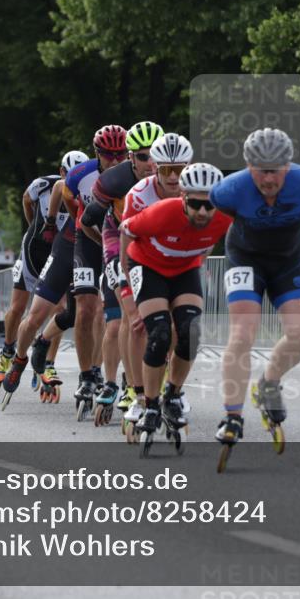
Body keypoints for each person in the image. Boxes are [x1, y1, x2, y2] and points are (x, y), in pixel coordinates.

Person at [208, 128, 300, 452]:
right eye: (261, 170)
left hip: (288, 260)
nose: (268, 179)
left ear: (288, 166)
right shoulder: (228, 190)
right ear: (249, 167)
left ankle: (268, 383)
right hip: (245, 257)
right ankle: (232, 416)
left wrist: (286, 225)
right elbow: (228, 215)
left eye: (275, 170)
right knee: (243, 334)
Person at [4, 126, 128, 416]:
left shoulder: (132, 176)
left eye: (120, 154)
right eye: (108, 155)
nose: (114, 160)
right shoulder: (80, 175)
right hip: (78, 241)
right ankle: (19, 358)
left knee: (100, 311)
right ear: (97, 154)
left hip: (113, 244)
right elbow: (62, 191)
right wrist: (48, 222)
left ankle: (93, 373)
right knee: (39, 313)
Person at [119, 163, 231, 450]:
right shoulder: (160, 213)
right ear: (183, 198)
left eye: (209, 205)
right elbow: (125, 231)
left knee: (190, 332)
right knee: (159, 334)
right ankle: (151, 403)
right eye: (196, 205)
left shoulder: (225, 217)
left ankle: (172, 395)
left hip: (184, 269)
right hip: (148, 265)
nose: (204, 213)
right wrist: (126, 287)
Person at [77, 121, 164, 425]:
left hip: (153, 240)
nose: (150, 163)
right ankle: (122, 386)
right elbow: (87, 221)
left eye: (156, 154)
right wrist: (107, 250)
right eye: (142, 157)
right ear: (130, 158)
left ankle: (152, 380)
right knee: (127, 317)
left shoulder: (176, 176)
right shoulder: (113, 181)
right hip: (117, 236)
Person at [0, 151, 86, 407]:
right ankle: (8, 350)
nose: (74, 181)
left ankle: (47, 363)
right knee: (19, 306)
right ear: (62, 172)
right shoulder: (45, 184)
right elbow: (26, 200)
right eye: (69, 175)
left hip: (61, 253)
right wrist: (35, 226)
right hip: (34, 249)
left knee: (60, 308)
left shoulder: (89, 190)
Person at [116, 133, 193, 430]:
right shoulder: (138, 195)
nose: (174, 178)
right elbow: (127, 243)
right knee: (138, 324)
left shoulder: (196, 190)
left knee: (181, 326)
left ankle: (171, 388)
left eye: (180, 170)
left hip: (176, 260)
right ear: (155, 169)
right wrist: (132, 291)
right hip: (138, 259)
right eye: (166, 171)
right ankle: (137, 395)